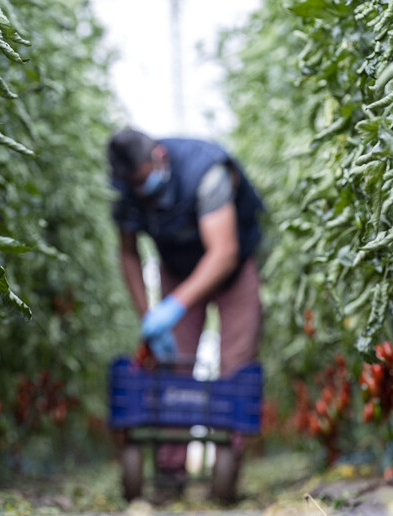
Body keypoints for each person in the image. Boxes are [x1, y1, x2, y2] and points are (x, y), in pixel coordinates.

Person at [107, 129, 264, 500]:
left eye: (145, 179)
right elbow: (128, 253)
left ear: (159, 156)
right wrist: (149, 315)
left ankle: (228, 469)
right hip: (177, 268)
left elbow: (223, 252)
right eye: (134, 183)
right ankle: (170, 473)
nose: (141, 188)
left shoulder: (206, 172)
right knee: (173, 366)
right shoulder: (127, 190)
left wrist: (175, 305)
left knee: (234, 365)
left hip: (233, 269)